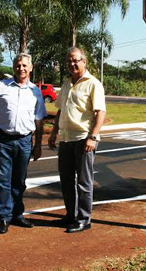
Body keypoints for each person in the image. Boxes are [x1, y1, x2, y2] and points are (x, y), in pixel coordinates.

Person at [0, 53, 46, 234]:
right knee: (3, 181)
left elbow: (39, 120)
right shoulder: (1, 86)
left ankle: (17, 214)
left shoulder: (35, 91)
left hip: (25, 141)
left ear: (31, 68)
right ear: (14, 67)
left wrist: (38, 145)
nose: (21, 68)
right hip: (3, 139)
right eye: (18, 65)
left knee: (19, 181)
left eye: (25, 65)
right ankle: (3, 217)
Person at [48, 47, 106, 233]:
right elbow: (60, 110)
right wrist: (54, 132)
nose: (72, 64)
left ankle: (83, 219)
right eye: (69, 61)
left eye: (75, 60)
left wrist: (93, 136)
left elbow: (100, 112)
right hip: (66, 139)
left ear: (84, 61)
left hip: (83, 139)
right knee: (66, 180)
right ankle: (70, 215)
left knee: (83, 181)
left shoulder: (93, 83)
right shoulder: (66, 83)